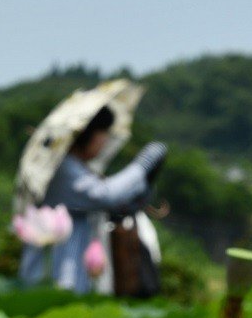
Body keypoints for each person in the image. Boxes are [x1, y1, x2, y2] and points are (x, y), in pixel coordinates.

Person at [21, 107, 167, 294]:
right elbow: (107, 195)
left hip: (70, 270)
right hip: (56, 273)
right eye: (103, 133)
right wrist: (144, 164)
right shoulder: (63, 167)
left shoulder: (77, 166)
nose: (105, 141)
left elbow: (118, 202)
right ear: (86, 133)